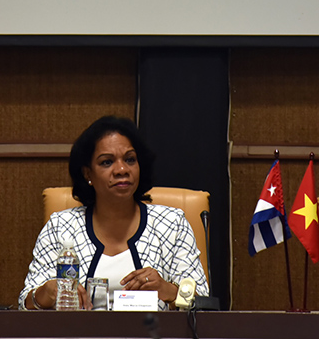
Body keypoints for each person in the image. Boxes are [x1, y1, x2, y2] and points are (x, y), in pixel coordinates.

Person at [19, 116, 208, 310]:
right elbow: (24, 305)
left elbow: (203, 302)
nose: (121, 170)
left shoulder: (171, 224)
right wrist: (45, 294)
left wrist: (169, 291)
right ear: (87, 174)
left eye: (130, 160)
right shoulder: (61, 226)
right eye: (107, 162)